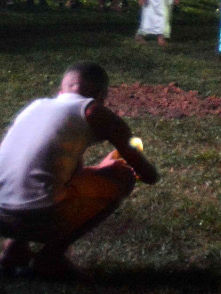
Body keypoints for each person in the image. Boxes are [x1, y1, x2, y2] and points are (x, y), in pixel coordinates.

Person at [0, 63, 160, 279]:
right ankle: (51, 258)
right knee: (122, 178)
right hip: (39, 217)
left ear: (61, 90)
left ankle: (13, 250)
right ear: (101, 94)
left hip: (2, 215)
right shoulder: (94, 111)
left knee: (37, 176)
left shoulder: (35, 106)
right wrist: (122, 165)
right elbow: (149, 175)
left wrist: (99, 170)